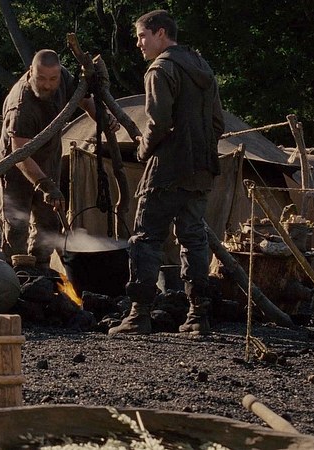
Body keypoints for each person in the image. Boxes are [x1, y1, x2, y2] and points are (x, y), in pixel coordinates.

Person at [109, 10, 224, 336]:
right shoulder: (202, 67)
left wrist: (144, 150)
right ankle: (198, 317)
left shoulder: (161, 69)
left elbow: (159, 122)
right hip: (201, 168)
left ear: (160, 33)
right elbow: (217, 123)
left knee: (146, 238)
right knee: (194, 238)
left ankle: (138, 315)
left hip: (167, 169)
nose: (138, 43)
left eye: (142, 36)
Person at [0, 49, 118, 271]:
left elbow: (85, 101)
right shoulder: (21, 105)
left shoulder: (64, 79)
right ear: (31, 71)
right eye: (41, 78)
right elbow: (19, 152)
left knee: (48, 223)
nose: (47, 85)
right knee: (16, 226)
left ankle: (40, 270)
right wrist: (45, 184)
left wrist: (103, 118)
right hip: (16, 169)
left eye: (53, 79)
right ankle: (15, 275)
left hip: (48, 161)